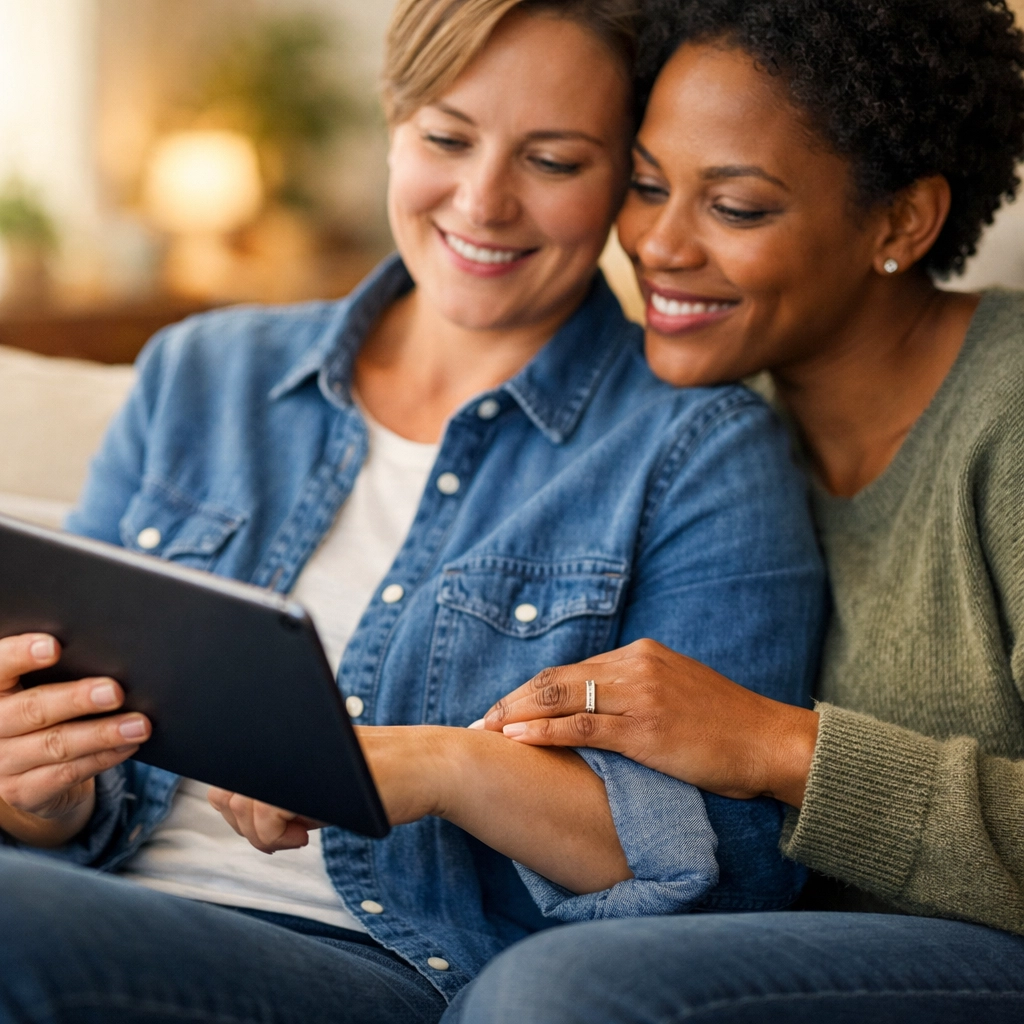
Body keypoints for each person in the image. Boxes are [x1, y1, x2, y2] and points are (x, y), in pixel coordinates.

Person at [0, 1, 827, 1021]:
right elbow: (71, 760)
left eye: (555, 161)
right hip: (93, 904)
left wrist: (445, 765)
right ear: (394, 123)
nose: (483, 202)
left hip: (380, 966)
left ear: (625, 184)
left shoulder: (694, 450)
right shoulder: (201, 372)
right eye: (445, 138)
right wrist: (39, 790)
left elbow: (734, 875)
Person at [449, 0, 1024, 1021]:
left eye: (738, 208)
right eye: (646, 185)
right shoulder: (710, 434)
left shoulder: (1008, 416)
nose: (658, 246)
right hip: (797, 949)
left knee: (558, 992)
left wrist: (776, 745)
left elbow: (747, 746)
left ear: (899, 222)